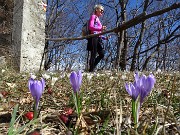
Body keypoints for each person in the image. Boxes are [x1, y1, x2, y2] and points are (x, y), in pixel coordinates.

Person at [87, 4, 108, 72]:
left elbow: (98, 32)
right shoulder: (93, 16)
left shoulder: (98, 19)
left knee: (102, 54)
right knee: (93, 53)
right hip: (93, 37)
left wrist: (104, 38)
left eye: (103, 11)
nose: (102, 12)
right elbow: (90, 27)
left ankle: (92, 67)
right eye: (101, 10)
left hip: (98, 38)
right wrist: (101, 28)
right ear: (96, 10)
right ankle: (91, 70)